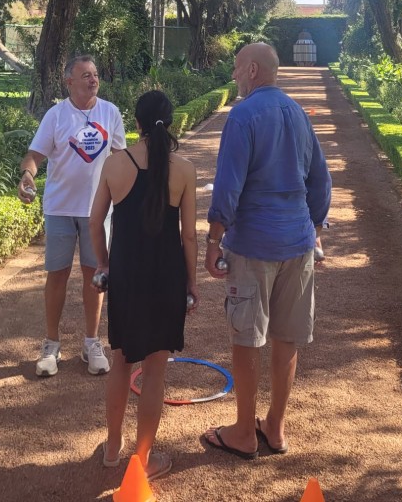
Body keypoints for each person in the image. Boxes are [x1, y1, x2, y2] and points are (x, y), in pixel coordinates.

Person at [202, 42, 331, 459]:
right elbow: (321, 180)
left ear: (253, 70)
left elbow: (228, 186)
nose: (235, 76)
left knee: (247, 338)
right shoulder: (297, 113)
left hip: (254, 243)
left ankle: (243, 432)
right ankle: (274, 426)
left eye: (238, 69)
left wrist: (213, 237)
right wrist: (312, 226)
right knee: (287, 339)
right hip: (297, 242)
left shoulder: (242, 116)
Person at [89, 90, 198, 481]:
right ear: (169, 123)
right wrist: (192, 281)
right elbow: (189, 237)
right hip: (166, 275)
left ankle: (113, 447)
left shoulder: (115, 164)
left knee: (121, 361)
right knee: (155, 370)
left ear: (135, 122)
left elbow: (94, 223)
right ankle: (143, 457)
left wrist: (104, 263)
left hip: (127, 274)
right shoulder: (184, 169)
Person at [18, 54, 126, 378]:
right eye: (85, 75)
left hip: (98, 210)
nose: (93, 79)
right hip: (60, 209)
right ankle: (51, 345)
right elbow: (34, 155)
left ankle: (92, 344)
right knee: (57, 275)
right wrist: (27, 175)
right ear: (69, 82)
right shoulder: (56, 115)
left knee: (96, 278)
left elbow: (120, 158)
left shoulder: (111, 113)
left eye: (95, 74)